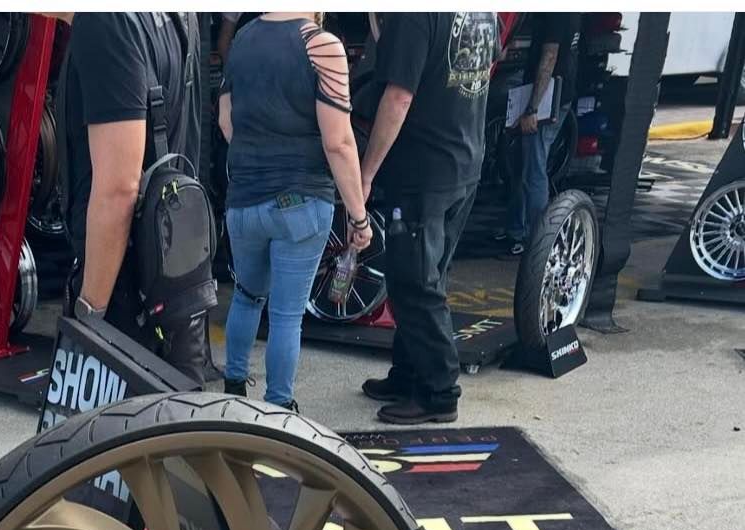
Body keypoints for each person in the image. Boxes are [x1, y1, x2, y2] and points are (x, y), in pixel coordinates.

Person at [219, 11, 373, 411]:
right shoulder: (322, 46)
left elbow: (225, 122)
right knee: (287, 316)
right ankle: (278, 408)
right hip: (300, 202)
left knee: (246, 296)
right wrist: (359, 216)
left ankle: (233, 390)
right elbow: (338, 142)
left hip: (245, 199)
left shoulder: (243, 39)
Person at [359, 11, 498, 425]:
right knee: (428, 274)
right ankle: (410, 371)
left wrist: (365, 174)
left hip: (424, 168)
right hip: (463, 157)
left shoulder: (414, 15)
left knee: (415, 282)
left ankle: (439, 392)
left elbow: (398, 97)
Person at [58, 11, 208, 384]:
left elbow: (118, 188)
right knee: (168, 429)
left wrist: (89, 315)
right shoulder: (178, 15)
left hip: (125, 290)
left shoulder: (103, 21)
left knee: (104, 438)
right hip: (170, 268)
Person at [498, 14, 581, 254]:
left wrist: (533, 108)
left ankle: (537, 241)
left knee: (533, 169)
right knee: (525, 164)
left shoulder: (556, 16)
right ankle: (517, 230)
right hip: (558, 93)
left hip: (548, 98)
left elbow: (550, 56)